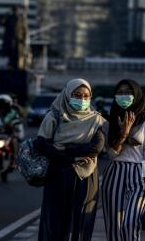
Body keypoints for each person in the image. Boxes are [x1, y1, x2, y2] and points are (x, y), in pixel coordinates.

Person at [34, 79, 107, 241]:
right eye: (77, 95)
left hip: (86, 178)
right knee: (55, 219)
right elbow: (42, 144)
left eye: (86, 96)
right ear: (67, 95)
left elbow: (96, 147)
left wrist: (64, 148)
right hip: (58, 175)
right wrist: (74, 155)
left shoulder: (96, 120)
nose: (82, 100)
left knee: (81, 221)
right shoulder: (54, 115)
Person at [102, 79, 145, 241]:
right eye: (120, 92)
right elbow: (112, 154)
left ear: (137, 95)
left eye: (128, 92)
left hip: (139, 174)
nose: (123, 96)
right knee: (114, 227)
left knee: (130, 223)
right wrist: (124, 133)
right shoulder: (109, 121)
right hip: (115, 172)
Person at [0, 94, 24, 178]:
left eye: (4, 104)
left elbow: (17, 121)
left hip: (8, 135)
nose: (2, 107)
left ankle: (14, 160)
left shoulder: (13, 113)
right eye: (0, 104)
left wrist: (12, 125)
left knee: (14, 142)